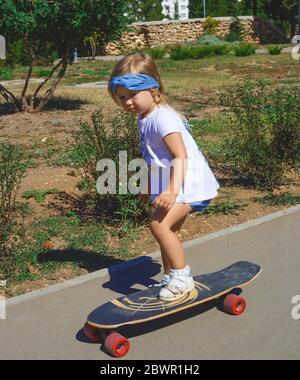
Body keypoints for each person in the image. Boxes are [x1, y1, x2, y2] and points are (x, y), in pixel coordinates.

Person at [108, 53, 219, 301]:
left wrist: (169, 192)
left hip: (189, 185)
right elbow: (155, 159)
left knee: (158, 225)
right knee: (169, 231)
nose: (127, 102)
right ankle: (171, 276)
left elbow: (180, 156)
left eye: (133, 95)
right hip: (175, 184)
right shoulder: (144, 116)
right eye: (122, 97)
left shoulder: (163, 118)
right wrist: (149, 186)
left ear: (153, 88)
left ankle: (182, 279)